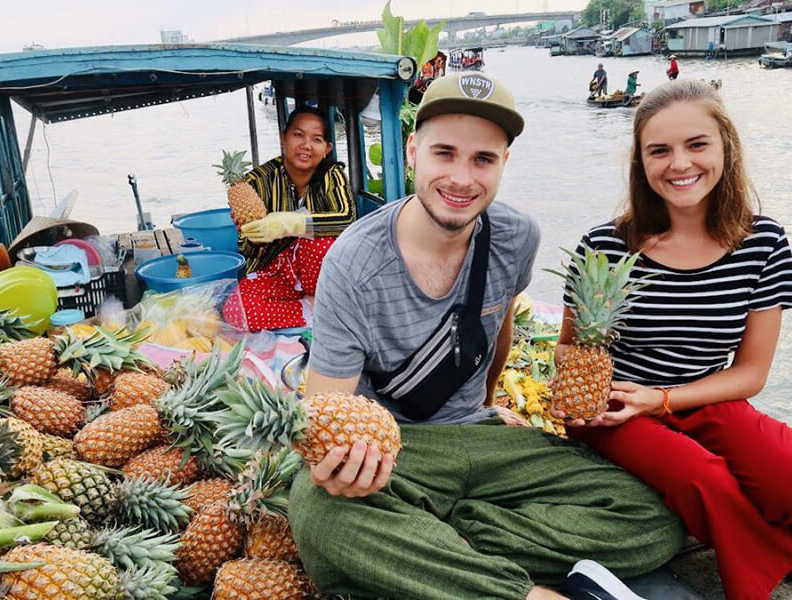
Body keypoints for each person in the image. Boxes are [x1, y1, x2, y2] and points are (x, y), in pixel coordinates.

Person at [288, 72, 684, 600]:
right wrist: (339, 471)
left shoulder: (517, 236)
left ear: (503, 165)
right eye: (445, 153)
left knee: (651, 521)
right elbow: (324, 417)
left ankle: (437, 546)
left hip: (486, 438)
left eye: (483, 159)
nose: (461, 178)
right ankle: (526, 593)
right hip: (401, 451)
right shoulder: (352, 264)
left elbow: (497, 328)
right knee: (316, 508)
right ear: (412, 151)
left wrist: (491, 403)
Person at [555, 79, 792, 600]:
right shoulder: (604, 245)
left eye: (697, 144)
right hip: (617, 407)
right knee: (703, 478)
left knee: (785, 471)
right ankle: (760, 579)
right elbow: (568, 348)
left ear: (725, 146)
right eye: (659, 150)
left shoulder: (765, 242)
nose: (679, 164)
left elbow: (751, 374)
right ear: (640, 162)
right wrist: (594, 395)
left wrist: (663, 400)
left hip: (707, 398)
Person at [222, 106, 355, 331]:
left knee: (319, 240)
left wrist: (290, 223)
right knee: (237, 311)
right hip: (278, 270)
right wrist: (255, 238)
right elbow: (247, 251)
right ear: (283, 138)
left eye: (317, 139)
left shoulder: (332, 176)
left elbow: (347, 217)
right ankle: (313, 309)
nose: (306, 145)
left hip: (323, 274)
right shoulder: (256, 182)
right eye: (298, 135)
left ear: (327, 148)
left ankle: (322, 301)